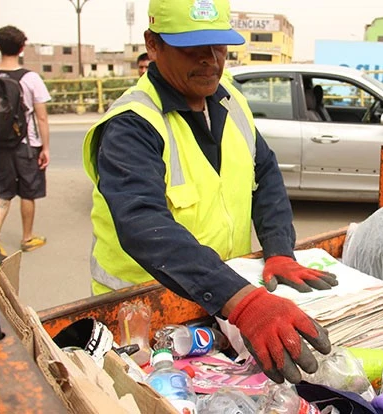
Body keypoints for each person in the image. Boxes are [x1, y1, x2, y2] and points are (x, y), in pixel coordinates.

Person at [82, 0, 338, 384]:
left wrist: (279, 250)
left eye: (219, 46)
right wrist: (246, 302)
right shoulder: (131, 125)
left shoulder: (228, 97)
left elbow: (264, 172)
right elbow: (143, 223)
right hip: (144, 315)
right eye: (192, 47)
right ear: (153, 44)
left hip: (223, 299)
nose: (210, 60)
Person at [0, 25, 52, 253]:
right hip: (26, 145)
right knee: (28, 192)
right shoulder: (30, 78)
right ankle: (27, 238)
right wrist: (45, 148)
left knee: (0, 194)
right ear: (22, 48)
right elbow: (41, 117)